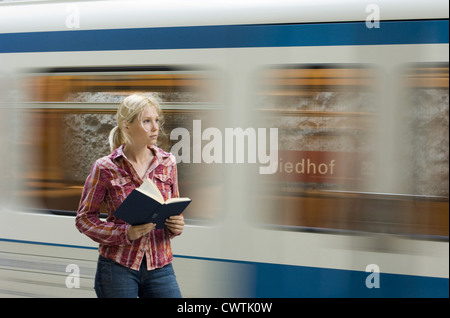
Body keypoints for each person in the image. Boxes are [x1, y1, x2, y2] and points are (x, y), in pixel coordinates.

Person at [75, 94, 185, 298]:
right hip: (117, 267)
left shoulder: (167, 162)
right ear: (126, 126)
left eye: (156, 120)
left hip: (160, 265)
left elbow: (173, 208)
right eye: (146, 121)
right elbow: (84, 219)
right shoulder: (105, 167)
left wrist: (176, 226)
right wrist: (125, 233)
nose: (155, 127)